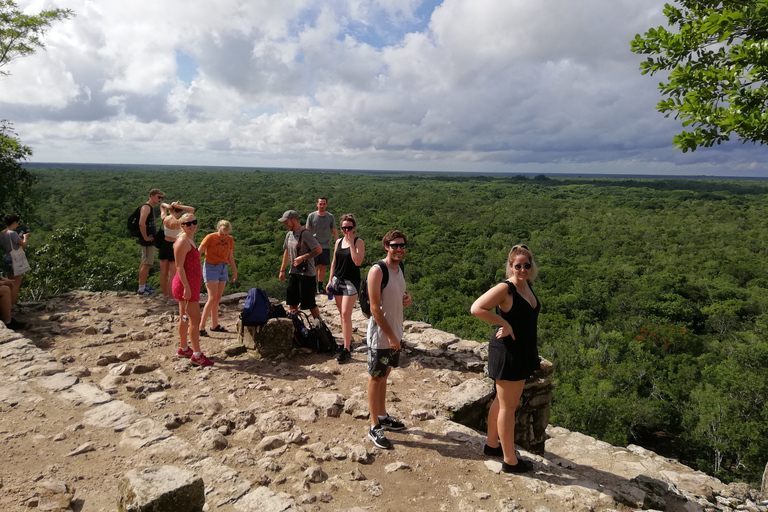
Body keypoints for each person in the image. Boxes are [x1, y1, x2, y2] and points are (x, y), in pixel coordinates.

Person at [470, 244, 540, 474]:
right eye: (517, 266)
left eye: (526, 265)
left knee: (502, 402)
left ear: (531, 266)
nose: (522, 269)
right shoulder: (506, 288)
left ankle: (492, 445)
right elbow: (477, 308)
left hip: (521, 351)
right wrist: (505, 323)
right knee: (508, 407)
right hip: (508, 351)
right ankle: (510, 460)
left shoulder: (526, 286)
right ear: (510, 267)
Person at [366, 230, 412, 449]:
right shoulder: (377, 270)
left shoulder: (399, 268)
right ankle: (374, 426)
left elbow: (396, 295)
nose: (399, 249)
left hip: (395, 332)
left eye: (402, 245)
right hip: (381, 336)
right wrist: (392, 336)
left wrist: (406, 298)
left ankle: (382, 415)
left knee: (385, 375)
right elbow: (375, 308)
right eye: (394, 245)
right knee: (376, 377)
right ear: (386, 246)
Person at [171, 213, 213, 367]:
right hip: (186, 285)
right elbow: (178, 266)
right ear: (182, 225)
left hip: (189, 285)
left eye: (194, 222)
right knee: (194, 321)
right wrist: (187, 287)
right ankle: (197, 354)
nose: (192, 225)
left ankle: (183, 348)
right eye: (188, 223)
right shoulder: (182, 241)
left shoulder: (188, 239)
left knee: (184, 317)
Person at [326, 214, 365, 364]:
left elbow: (357, 262)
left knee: (345, 313)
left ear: (354, 228)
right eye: (344, 228)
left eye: (349, 227)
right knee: (342, 315)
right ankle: (346, 342)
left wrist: (351, 244)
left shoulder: (358, 242)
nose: (346, 230)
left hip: (351, 282)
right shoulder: (338, 242)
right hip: (337, 280)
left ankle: (347, 348)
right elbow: (334, 262)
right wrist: (330, 280)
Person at [279, 210, 322, 318]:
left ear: (294, 220)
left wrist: (303, 257)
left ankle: (319, 326)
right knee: (292, 301)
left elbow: (318, 250)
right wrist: (282, 270)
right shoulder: (289, 234)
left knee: (310, 303)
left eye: (287, 222)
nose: (285, 224)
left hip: (307, 274)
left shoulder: (306, 234)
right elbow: (287, 251)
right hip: (293, 272)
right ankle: (296, 325)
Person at [198, 220, 237, 336]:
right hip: (210, 267)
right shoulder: (210, 237)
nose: (224, 236)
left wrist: (234, 270)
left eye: (226, 234)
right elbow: (198, 252)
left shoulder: (229, 239)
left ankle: (214, 325)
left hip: (223, 267)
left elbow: (230, 256)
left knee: (218, 298)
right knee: (212, 298)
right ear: (217, 229)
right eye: (222, 234)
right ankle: (201, 326)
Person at [158, 201, 195, 302]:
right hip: (174, 246)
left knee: (163, 273)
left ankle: (165, 295)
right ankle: (171, 298)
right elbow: (191, 210)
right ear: (180, 210)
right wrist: (178, 206)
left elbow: (161, 205)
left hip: (164, 244)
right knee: (172, 274)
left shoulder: (165, 219)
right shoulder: (179, 223)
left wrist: (169, 206)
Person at [306, 197, 338, 294]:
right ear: (317, 204)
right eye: (320, 204)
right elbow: (307, 230)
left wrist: (338, 243)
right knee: (313, 267)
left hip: (325, 245)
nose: (322, 206)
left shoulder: (330, 217)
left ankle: (320, 286)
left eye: (324, 204)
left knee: (322, 266)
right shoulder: (311, 216)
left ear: (326, 205)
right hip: (314, 246)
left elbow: (334, 230)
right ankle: (312, 287)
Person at [136, 189, 164, 296]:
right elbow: (141, 224)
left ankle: (141, 287)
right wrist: (146, 237)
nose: (160, 200)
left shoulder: (149, 208)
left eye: (161, 198)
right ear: (151, 196)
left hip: (148, 239)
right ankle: (142, 290)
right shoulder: (146, 207)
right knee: (147, 264)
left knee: (144, 263)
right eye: (158, 197)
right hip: (147, 240)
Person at [1, 213, 30, 304]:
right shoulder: (13, 233)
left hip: (7, 258)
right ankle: (12, 304)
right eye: (17, 223)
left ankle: (7, 303)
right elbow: (24, 245)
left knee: (10, 282)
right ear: (14, 223)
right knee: (16, 283)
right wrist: (25, 237)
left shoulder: (2, 233)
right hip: (14, 259)